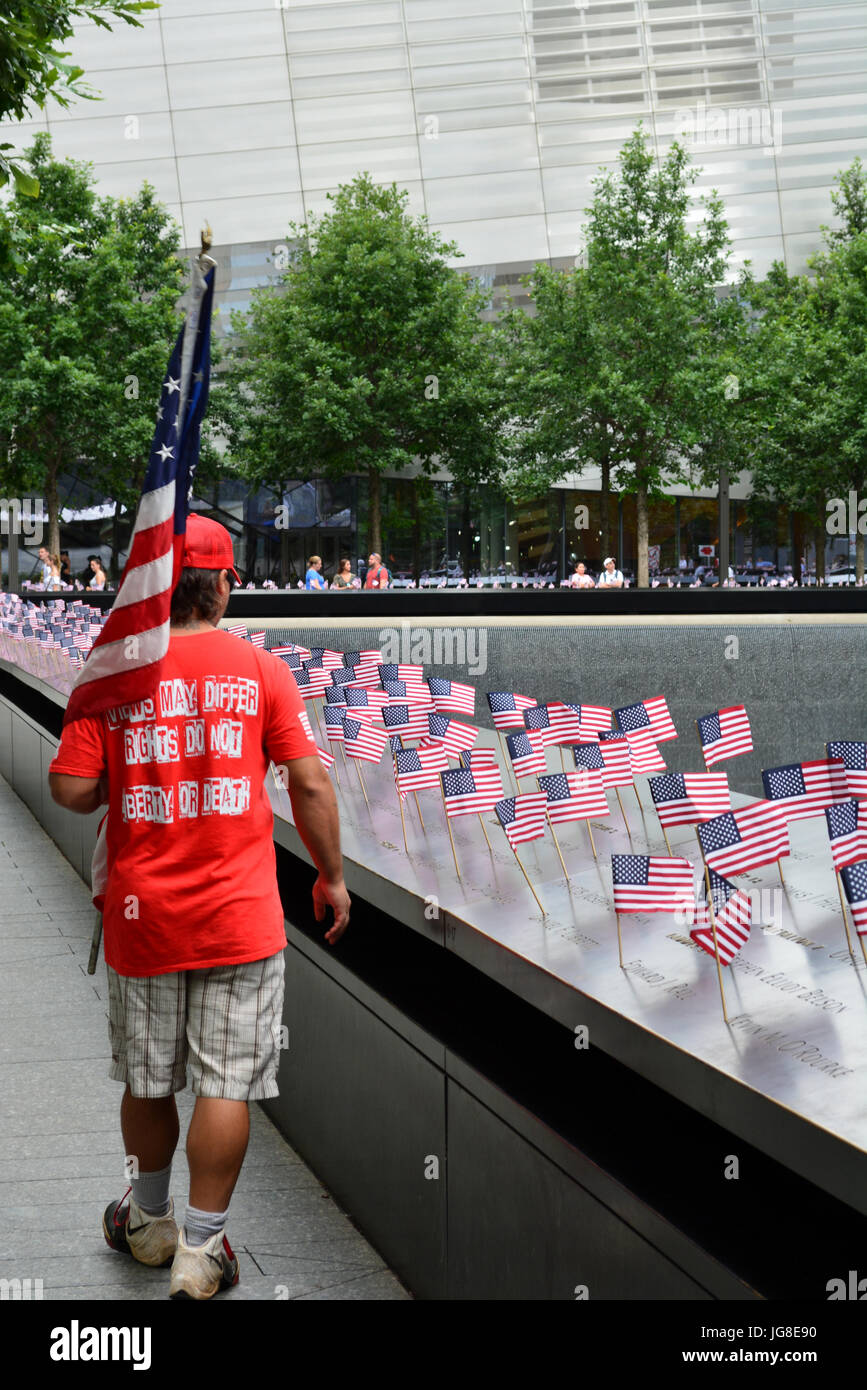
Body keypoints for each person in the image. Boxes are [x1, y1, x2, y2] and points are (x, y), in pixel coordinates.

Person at [47, 515, 350, 1300]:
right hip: (238, 917)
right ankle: (203, 1250)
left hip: (142, 917)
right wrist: (330, 877)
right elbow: (310, 783)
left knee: (148, 1079)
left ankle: (149, 1224)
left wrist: (135, 773)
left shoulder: (111, 670)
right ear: (222, 584)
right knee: (226, 1085)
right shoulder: (261, 669)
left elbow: (72, 789)